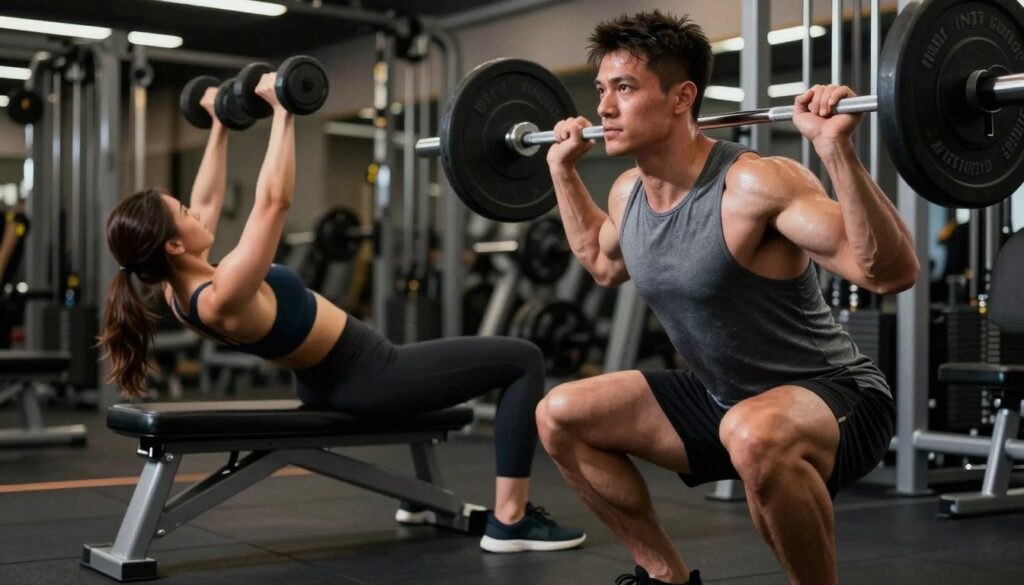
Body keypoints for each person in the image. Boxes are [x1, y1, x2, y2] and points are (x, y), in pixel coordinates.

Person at [98, 71, 584, 554]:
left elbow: (206, 199)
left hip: (327, 381)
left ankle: (422, 500)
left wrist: (220, 124)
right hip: (371, 375)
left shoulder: (178, 291)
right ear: (176, 244)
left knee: (449, 374)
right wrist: (283, 112)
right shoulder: (222, 293)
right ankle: (511, 520)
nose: (196, 210)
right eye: (182, 211)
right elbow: (273, 202)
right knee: (523, 359)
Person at [534, 11, 918, 585]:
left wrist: (836, 151)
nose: (605, 108)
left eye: (625, 88)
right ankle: (663, 576)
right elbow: (602, 262)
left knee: (752, 432)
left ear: (681, 97)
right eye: (602, 90)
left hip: (837, 397)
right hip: (722, 400)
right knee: (560, 414)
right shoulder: (626, 192)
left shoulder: (755, 183)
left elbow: (889, 272)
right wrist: (562, 171)